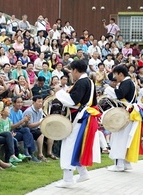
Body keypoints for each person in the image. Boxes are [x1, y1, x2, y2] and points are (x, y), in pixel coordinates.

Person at [54, 60, 100, 188]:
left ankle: (68, 179)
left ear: (75, 70)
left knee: (69, 146)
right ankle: (83, 172)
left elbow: (73, 101)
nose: (71, 75)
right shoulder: (89, 81)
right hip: (84, 117)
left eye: (71, 72)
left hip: (79, 118)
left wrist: (59, 92)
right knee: (78, 145)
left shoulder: (81, 82)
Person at [104, 65, 138, 171]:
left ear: (121, 74)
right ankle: (126, 163)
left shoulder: (126, 82)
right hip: (129, 114)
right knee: (125, 139)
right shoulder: (128, 82)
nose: (115, 77)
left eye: (115, 74)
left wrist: (108, 89)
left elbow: (120, 95)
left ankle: (118, 165)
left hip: (125, 114)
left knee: (119, 139)